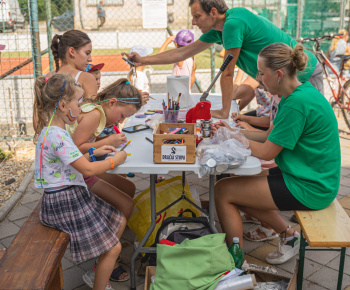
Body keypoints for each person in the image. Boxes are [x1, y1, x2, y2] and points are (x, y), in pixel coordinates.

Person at [213, 42, 340, 264]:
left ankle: (234, 266)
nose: (259, 79)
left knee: (223, 191)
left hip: (312, 186)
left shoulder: (295, 104)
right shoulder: (298, 93)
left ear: (278, 74)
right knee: (237, 185)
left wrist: (239, 138)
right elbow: (269, 135)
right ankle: (290, 236)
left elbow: (265, 151)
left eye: (262, 73)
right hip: (309, 176)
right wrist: (233, 132)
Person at [123, 0, 323, 119]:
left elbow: (227, 71)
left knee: (310, 127)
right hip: (281, 81)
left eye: (197, 16)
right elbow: (182, 53)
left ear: (213, 12)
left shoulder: (233, 23)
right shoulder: (217, 30)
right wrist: (143, 60)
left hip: (304, 74)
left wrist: (224, 111)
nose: (193, 22)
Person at [33, 74, 128, 290]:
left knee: (119, 220)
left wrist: (94, 152)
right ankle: (100, 283)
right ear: (64, 105)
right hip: (65, 201)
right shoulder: (57, 136)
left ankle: (100, 268)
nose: (81, 106)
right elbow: (86, 170)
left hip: (69, 195)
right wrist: (114, 161)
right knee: (114, 248)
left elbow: (71, 164)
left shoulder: (53, 131)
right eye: (79, 101)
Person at [50, 30, 98, 98]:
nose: (90, 59)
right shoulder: (86, 78)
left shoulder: (48, 77)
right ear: (72, 51)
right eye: (87, 53)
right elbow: (92, 108)